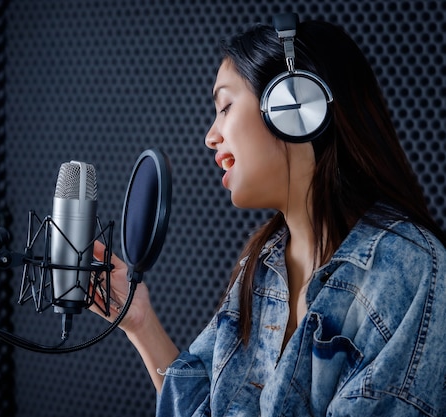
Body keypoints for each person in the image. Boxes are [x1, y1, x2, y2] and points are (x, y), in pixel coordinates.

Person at [91, 14, 446, 416]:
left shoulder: (409, 270)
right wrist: (139, 321)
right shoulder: (260, 266)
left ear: (294, 104)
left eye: (225, 106)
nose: (210, 136)